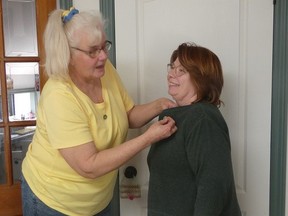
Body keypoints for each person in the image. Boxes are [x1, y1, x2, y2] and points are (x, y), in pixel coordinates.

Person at [21, 7, 177, 216]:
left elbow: (127, 115)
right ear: (67, 53)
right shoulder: (59, 96)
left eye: (105, 46)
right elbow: (89, 166)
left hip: (98, 200)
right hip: (54, 203)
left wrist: (159, 105)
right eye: (93, 50)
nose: (103, 56)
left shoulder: (104, 70)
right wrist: (148, 138)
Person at [147, 42, 242, 216]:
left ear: (201, 78)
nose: (170, 75)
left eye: (181, 70)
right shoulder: (171, 117)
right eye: (172, 67)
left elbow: (214, 186)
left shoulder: (203, 118)